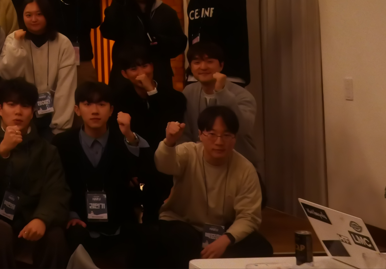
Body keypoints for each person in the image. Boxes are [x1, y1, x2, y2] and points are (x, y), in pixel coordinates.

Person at [139, 108, 271, 268]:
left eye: (226, 135)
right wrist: (169, 142)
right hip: (182, 222)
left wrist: (226, 239)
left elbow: (249, 216)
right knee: (183, 241)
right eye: (212, 134)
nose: (219, 142)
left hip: (223, 229)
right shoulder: (188, 152)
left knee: (260, 246)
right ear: (200, 134)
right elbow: (164, 164)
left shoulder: (245, 169)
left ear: (234, 138)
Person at [0, 78, 70, 269]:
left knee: (55, 236)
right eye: (11, 104)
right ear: (0, 109)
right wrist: (1, 151)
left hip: (30, 217)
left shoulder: (46, 150)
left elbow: (56, 191)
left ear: (33, 112)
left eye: (25, 106)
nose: (18, 111)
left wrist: (42, 218)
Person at [52, 82, 143, 260]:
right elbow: (56, 186)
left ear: (111, 110)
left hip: (119, 223)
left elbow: (141, 178)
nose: (95, 111)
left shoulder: (125, 141)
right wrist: (69, 215)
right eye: (88, 104)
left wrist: (131, 139)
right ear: (77, 110)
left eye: (101, 104)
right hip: (78, 221)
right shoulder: (61, 143)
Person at [112, 44, 187, 224]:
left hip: (167, 166)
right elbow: (118, 139)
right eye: (133, 68)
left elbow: (164, 128)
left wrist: (152, 92)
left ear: (152, 66)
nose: (141, 73)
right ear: (124, 74)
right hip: (135, 168)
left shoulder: (175, 97)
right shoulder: (118, 100)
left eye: (145, 66)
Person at [0, 0, 78, 137]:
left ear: (48, 15)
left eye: (39, 14)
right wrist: (16, 46)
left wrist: (60, 128)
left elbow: (66, 88)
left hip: (53, 113)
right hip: (20, 113)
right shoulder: (12, 39)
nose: (34, 19)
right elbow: (7, 75)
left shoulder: (63, 43)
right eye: (28, 15)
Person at [102, 0, 187, 90]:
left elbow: (179, 43)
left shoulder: (166, 12)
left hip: (158, 77)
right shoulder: (120, 10)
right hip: (124, 80)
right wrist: (116, 3)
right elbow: (108, 32)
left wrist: (159, 41)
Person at [182, 42, 261, 175]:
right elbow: (185, 132)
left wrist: (222, 92)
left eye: (210, 61)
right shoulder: (188, 92)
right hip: (200, 167)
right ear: (190, 66)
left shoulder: (242, 95)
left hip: (238, 165)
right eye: (197, 62)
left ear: (221, 65)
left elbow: (243, 128)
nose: (203, 67)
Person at [51, 0, 103, 84]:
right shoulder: (49, 3)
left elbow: (94, 22)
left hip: (82, 62)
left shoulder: (85, 3)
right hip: (55, 62)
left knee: (88, 95)